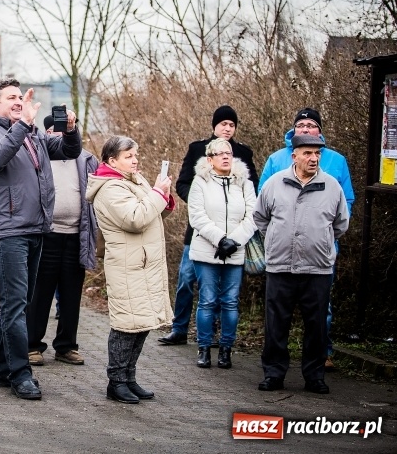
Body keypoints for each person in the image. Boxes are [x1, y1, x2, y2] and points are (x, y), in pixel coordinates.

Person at [0, 77, 80, 400]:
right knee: (15, 305)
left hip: (36, 228)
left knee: (17, 305)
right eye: (11, 98)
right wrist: (23, 125)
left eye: (21, 97)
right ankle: (21, 374)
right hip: (8, 231)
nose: (19, 101)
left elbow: (68, 150)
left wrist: (71, 128)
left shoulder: (33, 134)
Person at [258, 107, 354, 370]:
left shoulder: (335, 173)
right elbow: (261, 214)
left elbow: (341, 219)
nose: (313, 158)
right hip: (281, 261)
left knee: (318, 319)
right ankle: (274, 372)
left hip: (318, 261)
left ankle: (316, 371)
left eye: (312, 125)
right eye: (302, 125)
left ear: (320, 133)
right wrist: (277, 238)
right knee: (277, 321)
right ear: (294, 153)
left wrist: (322, 237)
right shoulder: (275, 171)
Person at [85, 136, 174, 404]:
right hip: (127, 265)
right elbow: (136, 219)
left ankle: (129, 377)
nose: (135, 160)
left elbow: (154, 214)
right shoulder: (110, 188)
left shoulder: (133, 180)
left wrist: (164, 197)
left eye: (136, 155)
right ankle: (116, 381)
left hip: (143, 264)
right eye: (128, 156)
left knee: (141, 323)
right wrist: (158, 193)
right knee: (126, 325)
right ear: (112, 161)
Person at [159, 105, 258, 346]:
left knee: (222, 287)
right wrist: (198, 203)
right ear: (214, 125)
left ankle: (213, 334)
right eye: (223, 123)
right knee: (186, 278)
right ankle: (179, 328)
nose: (227, 128)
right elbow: (183, 183)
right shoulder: (197, 149)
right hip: (200, 228)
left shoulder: (243, 153)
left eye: (232, 124)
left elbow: (253, 188)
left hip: (233, 232)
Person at [26, 115, 98, 367]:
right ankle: (32, 345)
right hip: (47, 235)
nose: (56, 135)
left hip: (77, 235)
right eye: (51, 131)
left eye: (61, 130)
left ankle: (66, 346)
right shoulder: (38, 155)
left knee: (71, 296)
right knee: (40, 294)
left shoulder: (86, 158)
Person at [187, 138, 257, 369]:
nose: (226, 156)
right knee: (207, 301)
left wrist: (234, 241)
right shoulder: (200, 182)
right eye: (219, 153)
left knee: (230, 302)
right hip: (207, 251)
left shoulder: (244, 182)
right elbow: (196, 215)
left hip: (235, 253)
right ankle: (204, 348)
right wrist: (220, 239)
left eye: (228, 152)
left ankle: (226, 349)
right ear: (210, 159)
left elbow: (252, 215)